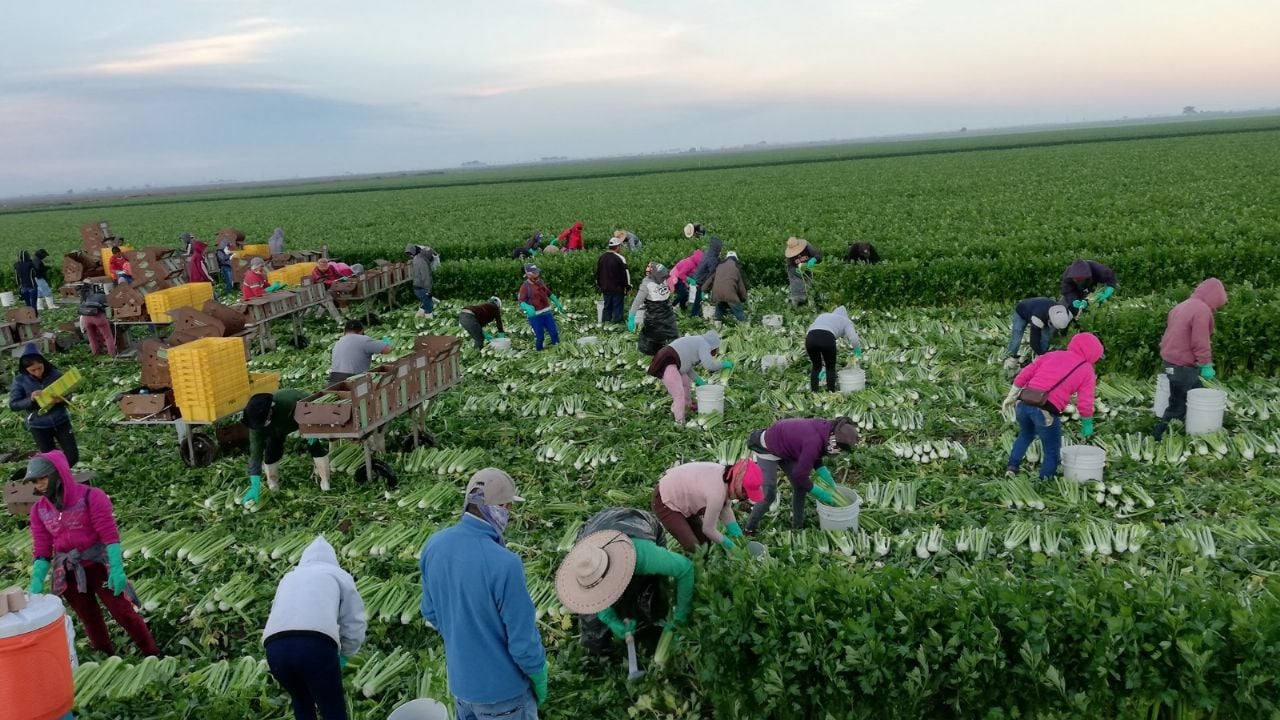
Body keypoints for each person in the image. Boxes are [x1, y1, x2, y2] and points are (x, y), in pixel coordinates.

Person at [420, 469, 547, 719]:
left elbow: (430, 611)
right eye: (509, 508)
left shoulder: (434, 546)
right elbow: (523, 643)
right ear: (502, 508)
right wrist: (539, 674)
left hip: (461, 687)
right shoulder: (505, 564)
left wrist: (466, 637)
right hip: (504, 695)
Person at [25, 450, 160, 657]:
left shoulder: (91, 497)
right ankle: (105, 656)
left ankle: (152, 652)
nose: (38, 485)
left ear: (57, 474)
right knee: (89, 619)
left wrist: (116, 569)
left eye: (41, 478)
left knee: (123, 613)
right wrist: (35, 585)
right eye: (34, 481)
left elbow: (109, 536)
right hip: (68, 570)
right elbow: (42, 551)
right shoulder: (39, 510)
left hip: (97, 566)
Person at [556, 513, 694, 656]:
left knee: (650, 598)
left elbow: (685, 569)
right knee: (593, 627)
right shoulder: (585, 563)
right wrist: (610, 619)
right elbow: (594, 596)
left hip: (637, 524)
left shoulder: (642, 556)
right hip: (593, 531)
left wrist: (681, 617)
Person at [262, 536, 366, 720]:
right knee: (332, 707)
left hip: (275, 649)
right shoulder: (338, 575)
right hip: (315, 645)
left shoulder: (289, 577)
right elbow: (354, 621)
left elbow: (276, 611)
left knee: (301, 701)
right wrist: (344, 655)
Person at [1002, 332, 1103, 479]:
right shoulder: (1087, 370)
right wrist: (1087, 422)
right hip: (1045, 412)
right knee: (1052, 450)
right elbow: (1085, 402)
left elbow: (1025, 373)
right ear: (1094, 353)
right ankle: (1044, 481)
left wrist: (1011, 396)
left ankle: (1012, 467)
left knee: (1025, 435)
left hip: (1024, 404)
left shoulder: (1052, 355)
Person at [743, 417, 860, 533]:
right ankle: (749, 528)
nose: (839, 451)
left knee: (800, 487)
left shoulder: (827, 431)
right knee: (769, 494)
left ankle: (797, 527)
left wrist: (826, 476)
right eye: (839, 448)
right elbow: (800, 475)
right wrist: (820, 494)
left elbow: (815, 453)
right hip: (767, 448)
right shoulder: (814, 441)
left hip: (787, 448)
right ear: (835, 441)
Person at [1155, 279, 1227, 441]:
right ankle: (1159, 436)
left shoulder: (1182, 305)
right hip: (1181, 365)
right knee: (1178, 404)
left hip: (1170, 361)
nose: (1216, 308)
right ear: (1214, 297)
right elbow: (1200, 341)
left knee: (1197, 392)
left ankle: (1210, 422)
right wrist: (1205, 363)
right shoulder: (1201, 310)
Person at [240, 389, 333, 504]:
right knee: (272, 450)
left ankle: (325, 481)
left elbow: (311, 408)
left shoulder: (288, 402)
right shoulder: (256, 426)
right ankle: (272, 482)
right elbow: (255, 454)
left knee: (313, 445)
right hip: (276, 430)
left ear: (271, 410)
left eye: (264, 422)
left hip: (301, 415)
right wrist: (254, 484)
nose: (261, 426)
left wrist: (310, 427)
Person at [651, 459, 764, 552]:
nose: (745, 498)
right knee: (693, 547)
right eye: (745, 494)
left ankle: (701, 569)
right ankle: (688, 573)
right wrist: (731, 546)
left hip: (685, 499)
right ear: (738, 485)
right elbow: (708, 529)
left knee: (705, 542)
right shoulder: (717, 493)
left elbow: (725, 509)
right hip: (666, 499)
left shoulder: (728, 478)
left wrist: (738, 537)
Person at [10, 347, 80, 466]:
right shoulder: (20, 381)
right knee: (51, 459)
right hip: (38, 425)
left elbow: (68, 393)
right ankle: (60, 480)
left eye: (39, 368)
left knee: (72, 457)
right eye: (33, 370)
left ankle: (64, 474)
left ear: (44, 363)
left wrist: (62, 399)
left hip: (61, 420)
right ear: (26, 369)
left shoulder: (55, 374)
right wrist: (30, 399)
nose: (38, 372)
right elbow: (14, 404)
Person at [645, 331, 732, 425]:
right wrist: (724, 364)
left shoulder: (698, 341)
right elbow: (709, 365)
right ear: (714, 345)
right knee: (679, 394)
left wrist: (700, 382)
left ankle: (686, 407)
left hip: (674, 361)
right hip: (668, 362)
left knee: (686, 383)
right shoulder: (704, 344)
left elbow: (687, 367)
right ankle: (679, 421)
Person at [805, 306, 864, 393]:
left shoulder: (823, 316)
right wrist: (857, 350)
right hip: (827, 337)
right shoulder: (846, 321)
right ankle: (831, 392)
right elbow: (853, 338)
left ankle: (814, 392)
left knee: (816, 367)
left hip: (810, 338)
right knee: (830, 367)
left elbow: (812, 333)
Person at [1004, 298, 1073, 370]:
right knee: (1017, 338)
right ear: (1050, 320)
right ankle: (1012, 358)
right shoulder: (1038, 317)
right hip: (1022, 312)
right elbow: (1033, 343)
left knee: (1045, 338)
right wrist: (1043, 356)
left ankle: (1040, 359)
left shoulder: (1065, 314)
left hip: (1041, 309)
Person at [629, 262, 679, 356]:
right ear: (654, 275)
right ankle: (655, 359)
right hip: (654, 318)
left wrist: (671, 282)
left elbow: (669, 288)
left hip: (668, 315)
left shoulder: (663, 279)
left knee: (673, 337)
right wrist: (631, 317)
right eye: (662, 276)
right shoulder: (647, 285)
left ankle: (674, 356)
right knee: (652, 342)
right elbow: (637, 302)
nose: (664, 278)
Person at [328, 319, 392, 385]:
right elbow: (387, 349)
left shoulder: (337, 343)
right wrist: (386, 338)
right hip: (352, 380)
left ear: (344, 331)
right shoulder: (363, 340)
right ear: (362, 331)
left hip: (333, 381)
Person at [518, 265, 563, 351]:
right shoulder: (525, 286)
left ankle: (558, 349)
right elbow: (521, 301)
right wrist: (526, 307)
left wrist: (556, 301)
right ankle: (539, 351)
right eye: (534, 273)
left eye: (537, 272)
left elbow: (548, 292)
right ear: (528, 274)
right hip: (535, 316)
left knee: (554, 333)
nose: (537, 274)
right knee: (540, 337)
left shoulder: (541, 282)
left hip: (547, 313)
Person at [700, 250, 748, 325]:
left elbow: (710, 279)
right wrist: (743, 298)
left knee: (719, 307)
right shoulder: (736, 268)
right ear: (736, 259)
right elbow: (741, 286)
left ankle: (717, 328)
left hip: (717, 294)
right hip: (730, 294)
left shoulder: (719, 266)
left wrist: (704, 289)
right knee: (739, 312)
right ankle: (746, 328)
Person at [596, 235, 630, 325]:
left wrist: (600, 285)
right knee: (617, 308)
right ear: (618, 247)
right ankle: (616, 326)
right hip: (617, 288)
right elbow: (626, 274)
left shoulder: (602, 257)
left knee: (607, 307)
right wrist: (627, 286)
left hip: (605, 288)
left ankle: (605, 325)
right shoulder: (620, 258)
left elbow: (598, 273)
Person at [687, 237, 723, 319]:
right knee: (705, 297)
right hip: (703, 280)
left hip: (700, 279)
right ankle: (712, 315)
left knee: (698, 298)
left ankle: (694, 315)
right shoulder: (712, 258)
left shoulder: (708, 254)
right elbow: (712, 271)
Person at [784, 236, 823, 306]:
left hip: (810, 269)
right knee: (797, 289)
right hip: (798, 273)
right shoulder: (789, 255)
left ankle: (814, 300)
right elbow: (790, 267)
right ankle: (797, 300)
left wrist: (814, 259)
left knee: (813, 286)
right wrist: (796, 270)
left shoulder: (807, 246)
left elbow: (818, 255)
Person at [78, 288, 115, 358]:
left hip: (86, 318)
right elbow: (108, 308)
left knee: (92, 337)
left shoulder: (90, 296)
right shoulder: (103, 297)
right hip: (98, 317)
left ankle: (95, 353)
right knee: (107, 336)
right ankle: (112, 354)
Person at [407, 244, 439, 319]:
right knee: (429, 305)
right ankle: (428, 320)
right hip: (421, 287)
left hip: (417, 286)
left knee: (425, 302)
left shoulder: (417, 258)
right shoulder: (422, 261)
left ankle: (418, 316)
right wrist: (429, 290)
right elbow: (426, 277)